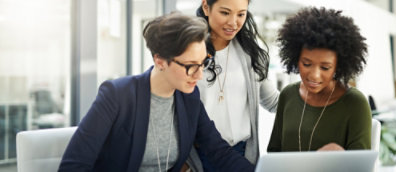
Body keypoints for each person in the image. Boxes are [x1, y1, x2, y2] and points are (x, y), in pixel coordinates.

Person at [58, 12, 255, 172]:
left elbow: (218, 151)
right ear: (160, 60)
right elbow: (74, 165)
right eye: (190, 66)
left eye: (203, 63)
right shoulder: (117, 95)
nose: (199, 75)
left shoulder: (189, 98)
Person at [187, 0, 280, 171]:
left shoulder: (249, 52)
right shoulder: (187, 53)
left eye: (241, 14)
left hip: (241, 154)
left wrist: (318, 97)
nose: (233, 22)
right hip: (200, 157)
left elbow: (274, 102)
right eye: (225, 13)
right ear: (206, 7)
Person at [267, 7, 371, 152]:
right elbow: (274, 153)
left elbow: (360, 166)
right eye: (307, 64)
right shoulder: (288, 95)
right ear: (296, 59)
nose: (314, 75)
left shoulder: (355, 103)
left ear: (338, 66)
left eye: (325, 67)